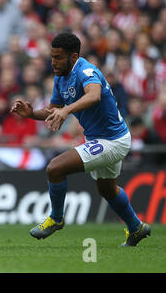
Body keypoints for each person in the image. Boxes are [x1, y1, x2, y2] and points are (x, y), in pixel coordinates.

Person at [10, 32, 150, 247]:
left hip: (112, 140)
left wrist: (66, 111)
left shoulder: (86, 70)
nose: (53, 62)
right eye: (51, 57)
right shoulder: (61, 77)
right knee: (106, 189)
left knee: (54, 168)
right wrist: (31, 114)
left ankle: (56, 218)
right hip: (104, 139)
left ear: (73, 57)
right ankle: (136, 228)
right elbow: (53, 110)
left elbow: (93, 96)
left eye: (58, 57)